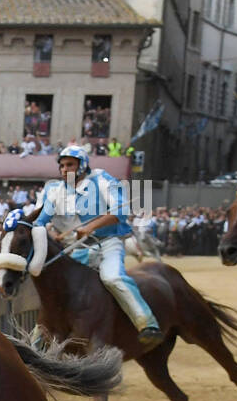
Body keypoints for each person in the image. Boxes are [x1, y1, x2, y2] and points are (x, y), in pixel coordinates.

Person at [29, 145, 162, 347]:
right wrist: (46, 231)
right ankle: (38, 338)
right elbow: (40, 220)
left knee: (113, 277)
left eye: (70, 165)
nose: (65, 169)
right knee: (57, 287)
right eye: (62, 166)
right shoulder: (55, 190)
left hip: (108, 243)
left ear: (82, 165)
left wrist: (91, 227)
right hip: (77, 249)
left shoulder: (101, 180)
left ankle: (146, 324)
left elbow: (121, 212)